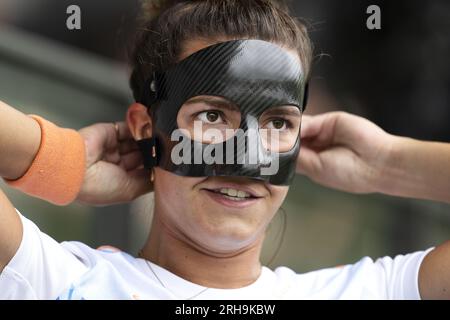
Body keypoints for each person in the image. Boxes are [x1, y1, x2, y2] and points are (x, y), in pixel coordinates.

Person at [0, 0, 449, 300]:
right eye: (212, 116)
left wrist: (390, 164)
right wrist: (59, 158)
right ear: (144, 128)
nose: (247, 160)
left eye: (278, 122)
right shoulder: (57, 281)